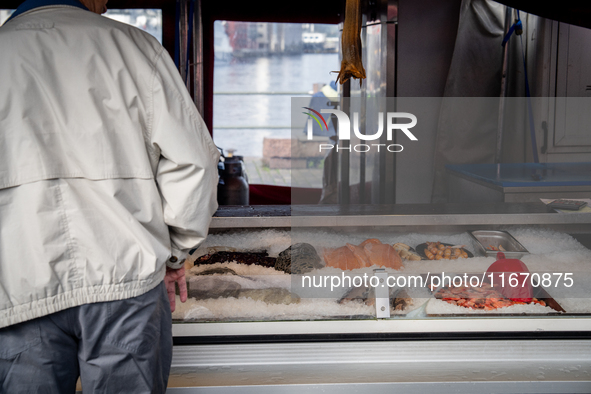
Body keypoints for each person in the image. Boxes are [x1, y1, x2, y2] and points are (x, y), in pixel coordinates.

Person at [0, 0, 219, 392]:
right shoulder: (135, 48)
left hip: (18, 286)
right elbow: (196, 163)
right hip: (126, 280)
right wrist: (176, 253)